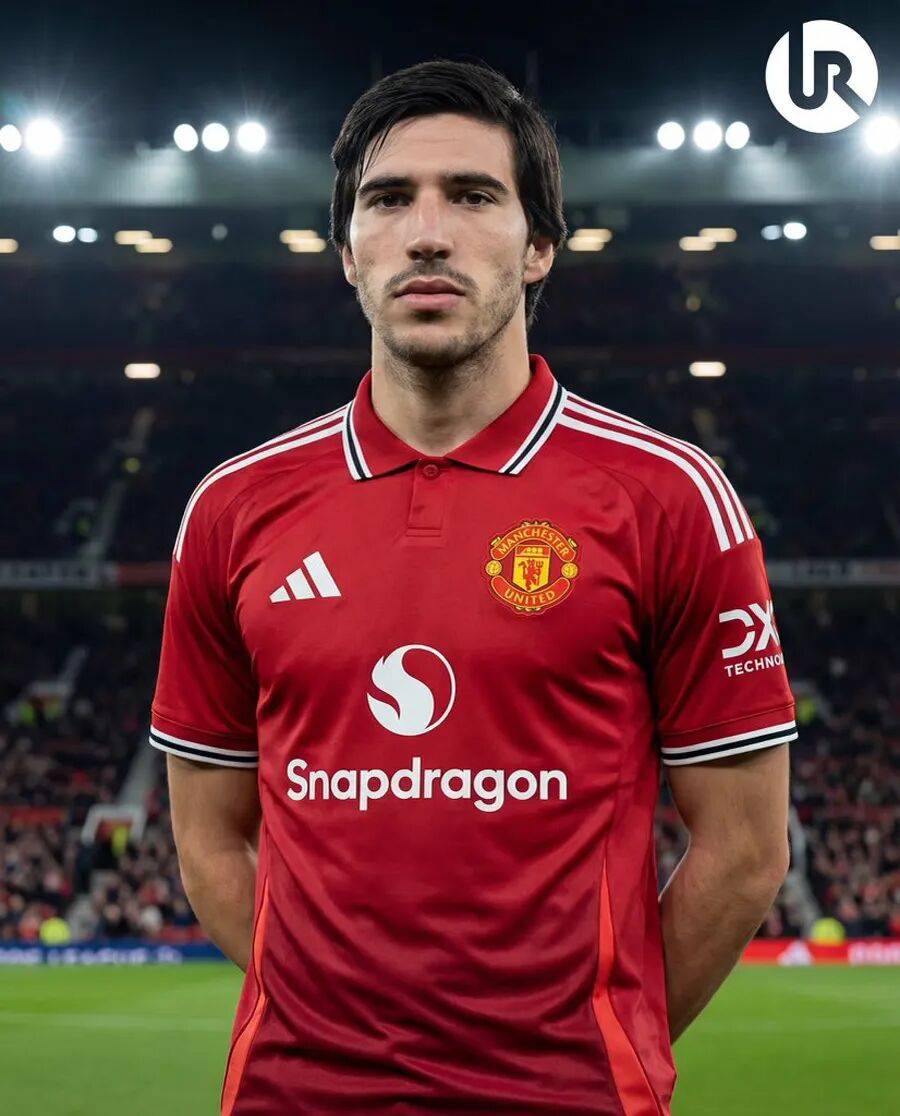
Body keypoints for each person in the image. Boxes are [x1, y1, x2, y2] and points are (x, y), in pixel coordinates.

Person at [150, 58, 796, 1116]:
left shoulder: (670, 497)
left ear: (540, 246)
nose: (427, 233)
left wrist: (590, 1042)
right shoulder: (233, 508)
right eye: (387, 200)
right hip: (294, 1095)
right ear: (346, 250)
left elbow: (745, 849)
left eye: (473, 195)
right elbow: (208, 837)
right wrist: (330, 1022)